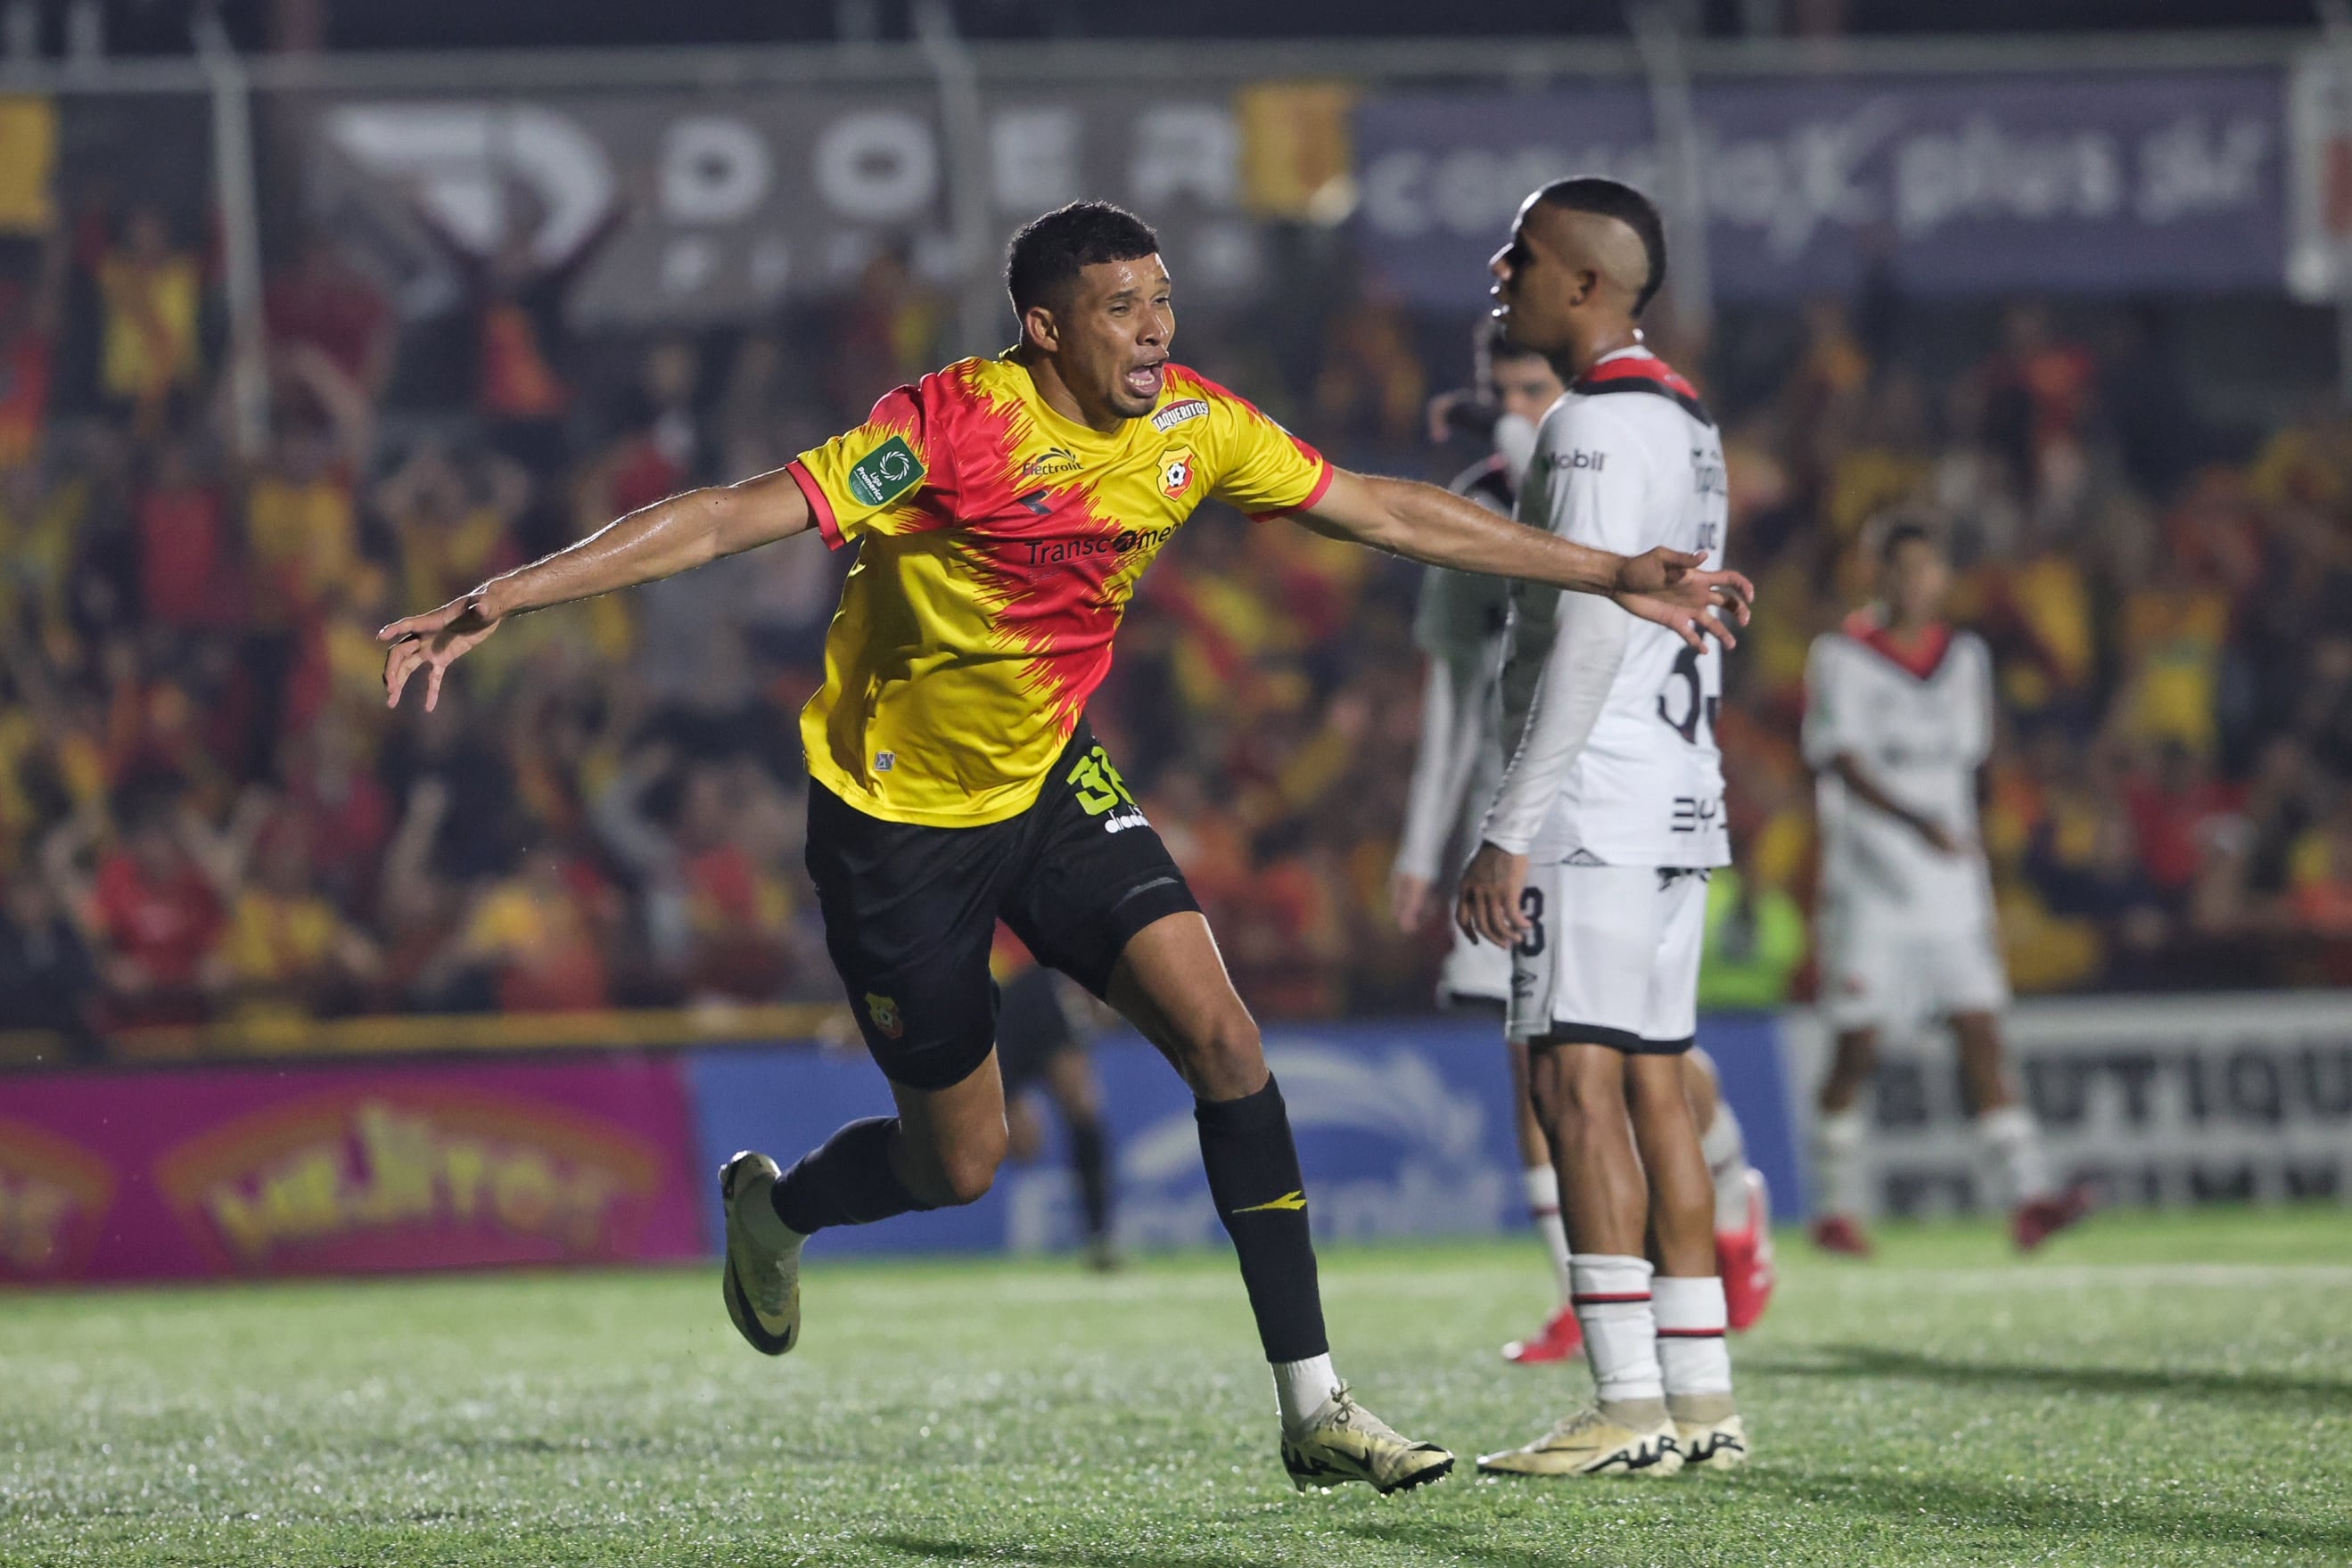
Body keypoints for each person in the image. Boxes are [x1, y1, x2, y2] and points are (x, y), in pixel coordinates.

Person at [380, 200, 1748, 1496]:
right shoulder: (949, 425)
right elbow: (736, 512)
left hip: (1048, 783)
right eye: (1120, 308)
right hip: (896, 827)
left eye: (1162, 301)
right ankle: (777, 1212)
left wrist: (1606, 569)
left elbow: (1380, 508)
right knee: (960, 1161)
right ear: (1045, 326)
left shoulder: (1197, 425)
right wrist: (513, 592)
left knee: (1224, 1038)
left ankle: (1315, 1404)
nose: (1155, 330)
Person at [1393, 325, 1773, 1369]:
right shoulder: (1480, 501)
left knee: (1642, 1061)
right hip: (1517, 813)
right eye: (1502, 389)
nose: (1518, 408)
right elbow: (1455, 692)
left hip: (1606, 799)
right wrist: (1424, 845)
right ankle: (1589, 1297)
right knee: (1543, 1062)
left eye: (1534, 388)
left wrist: (1503, 425)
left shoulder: (1606, 469)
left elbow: (1598, 613)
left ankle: (1725, 1208)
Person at [1459, 177, 1746, 1478]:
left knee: (1573, 1086)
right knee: (1655, 1087)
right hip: (1679, 790)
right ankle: (1702, 1399)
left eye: (1521, 252)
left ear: (1582, 282)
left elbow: (1585, 630)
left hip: (1596, 800)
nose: (1499, 268)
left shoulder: (1586, 424)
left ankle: (1625, 1401)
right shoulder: (1687, 419)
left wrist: (1508, 824)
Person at [1804, 521, 2093, 1255]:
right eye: (1901, 568)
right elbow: (1839, 759)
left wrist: (1982, 847)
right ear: (1876, 574)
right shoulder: (1840, 656)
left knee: (1982, 1033)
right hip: (1871, 883)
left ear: (1944, 578)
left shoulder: (1965, 657)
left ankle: (2029, 1196)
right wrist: (1917, 822)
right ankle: (1836, 1206)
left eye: (1927, 568)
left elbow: (1975, 763)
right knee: (1858, 1047)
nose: (1915, 582)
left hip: (1951, 885)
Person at [991, 925, 1119, 1270]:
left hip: (1037, 979)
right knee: (1023, 1147)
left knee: (1082, 1106)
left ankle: (1099, 1237)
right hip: (985, 990)